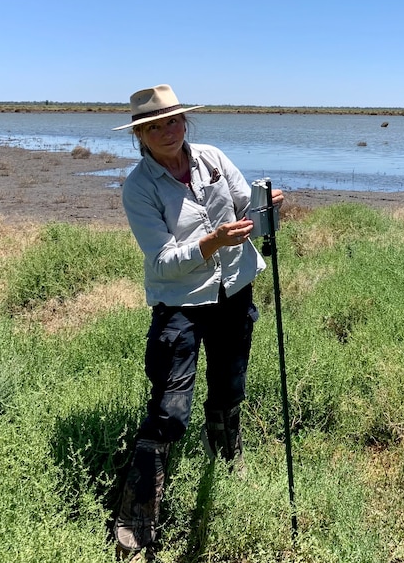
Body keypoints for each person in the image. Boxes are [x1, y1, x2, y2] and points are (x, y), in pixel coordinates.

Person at [111, 84, 284, 556]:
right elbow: (162, 262)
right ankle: (136, 520)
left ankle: (229, 461)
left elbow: (247, 210)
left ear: (186, 122)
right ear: (139, 135)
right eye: (153, 126)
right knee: (169, 410)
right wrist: (212, 243)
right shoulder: (138, 187)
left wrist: (269, 207)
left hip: (235, 292)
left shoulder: (211, 158)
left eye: (173, 121)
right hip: (180, 304)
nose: (167, 131)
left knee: (230, 389)